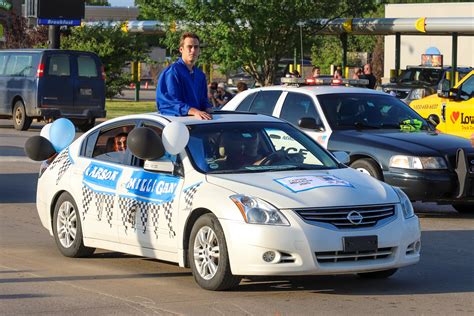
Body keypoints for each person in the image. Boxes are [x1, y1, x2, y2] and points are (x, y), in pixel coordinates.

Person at [156, 32, 212, 120]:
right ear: (181, 49)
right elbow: (168, 103)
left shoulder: (200, 75)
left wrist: (208, 109)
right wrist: (193, 111)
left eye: (196, 47)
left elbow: (203, 101)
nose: (193, 50)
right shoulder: (172, 72)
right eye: (189, 47)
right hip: (177, 125)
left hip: (199, 123)